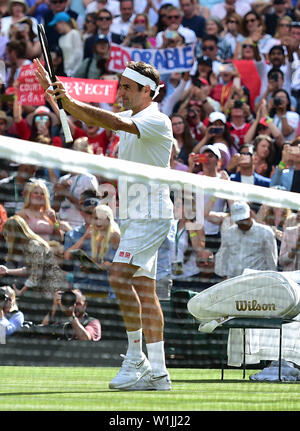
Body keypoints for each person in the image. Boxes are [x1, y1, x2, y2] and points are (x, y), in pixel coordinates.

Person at [34, 58, 175, 390]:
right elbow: (92, 116)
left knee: (117, 275)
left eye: (127, 87)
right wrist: (59, 100)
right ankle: (159, 373)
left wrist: (69, 102)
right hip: (135, 215)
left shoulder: (157, 119)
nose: (121, 91)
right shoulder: (128, 116)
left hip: (152, 214)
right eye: (120, 84)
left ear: (147, 91)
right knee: (144, 289)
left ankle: (135, 358)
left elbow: (107, 118)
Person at [0, 215, 69, 324]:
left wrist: (20, 292)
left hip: (48, 293)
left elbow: (35, 275)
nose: (6, 238)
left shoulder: (34, 245)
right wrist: (7, 271)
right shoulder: (27, 245)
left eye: (7, 234)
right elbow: (29, 269)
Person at [215, 201, 278, 279]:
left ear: (250, 214)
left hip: (256, 279)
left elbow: (271, 258)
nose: (242, 223)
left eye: (244, 220)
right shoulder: (230, 232)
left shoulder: (265, 232)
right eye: (239, 221)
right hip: (233, 279)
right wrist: (223, 275)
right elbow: (223, 254)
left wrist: (272, 278)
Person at [48, 11, 83, 77]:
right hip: (64, 73)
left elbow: (79, 55)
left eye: (56, 25)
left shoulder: (74, 33)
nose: (55, 28)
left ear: (62, 22)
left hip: (74, 74)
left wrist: (75, 73)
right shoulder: (60, 38)